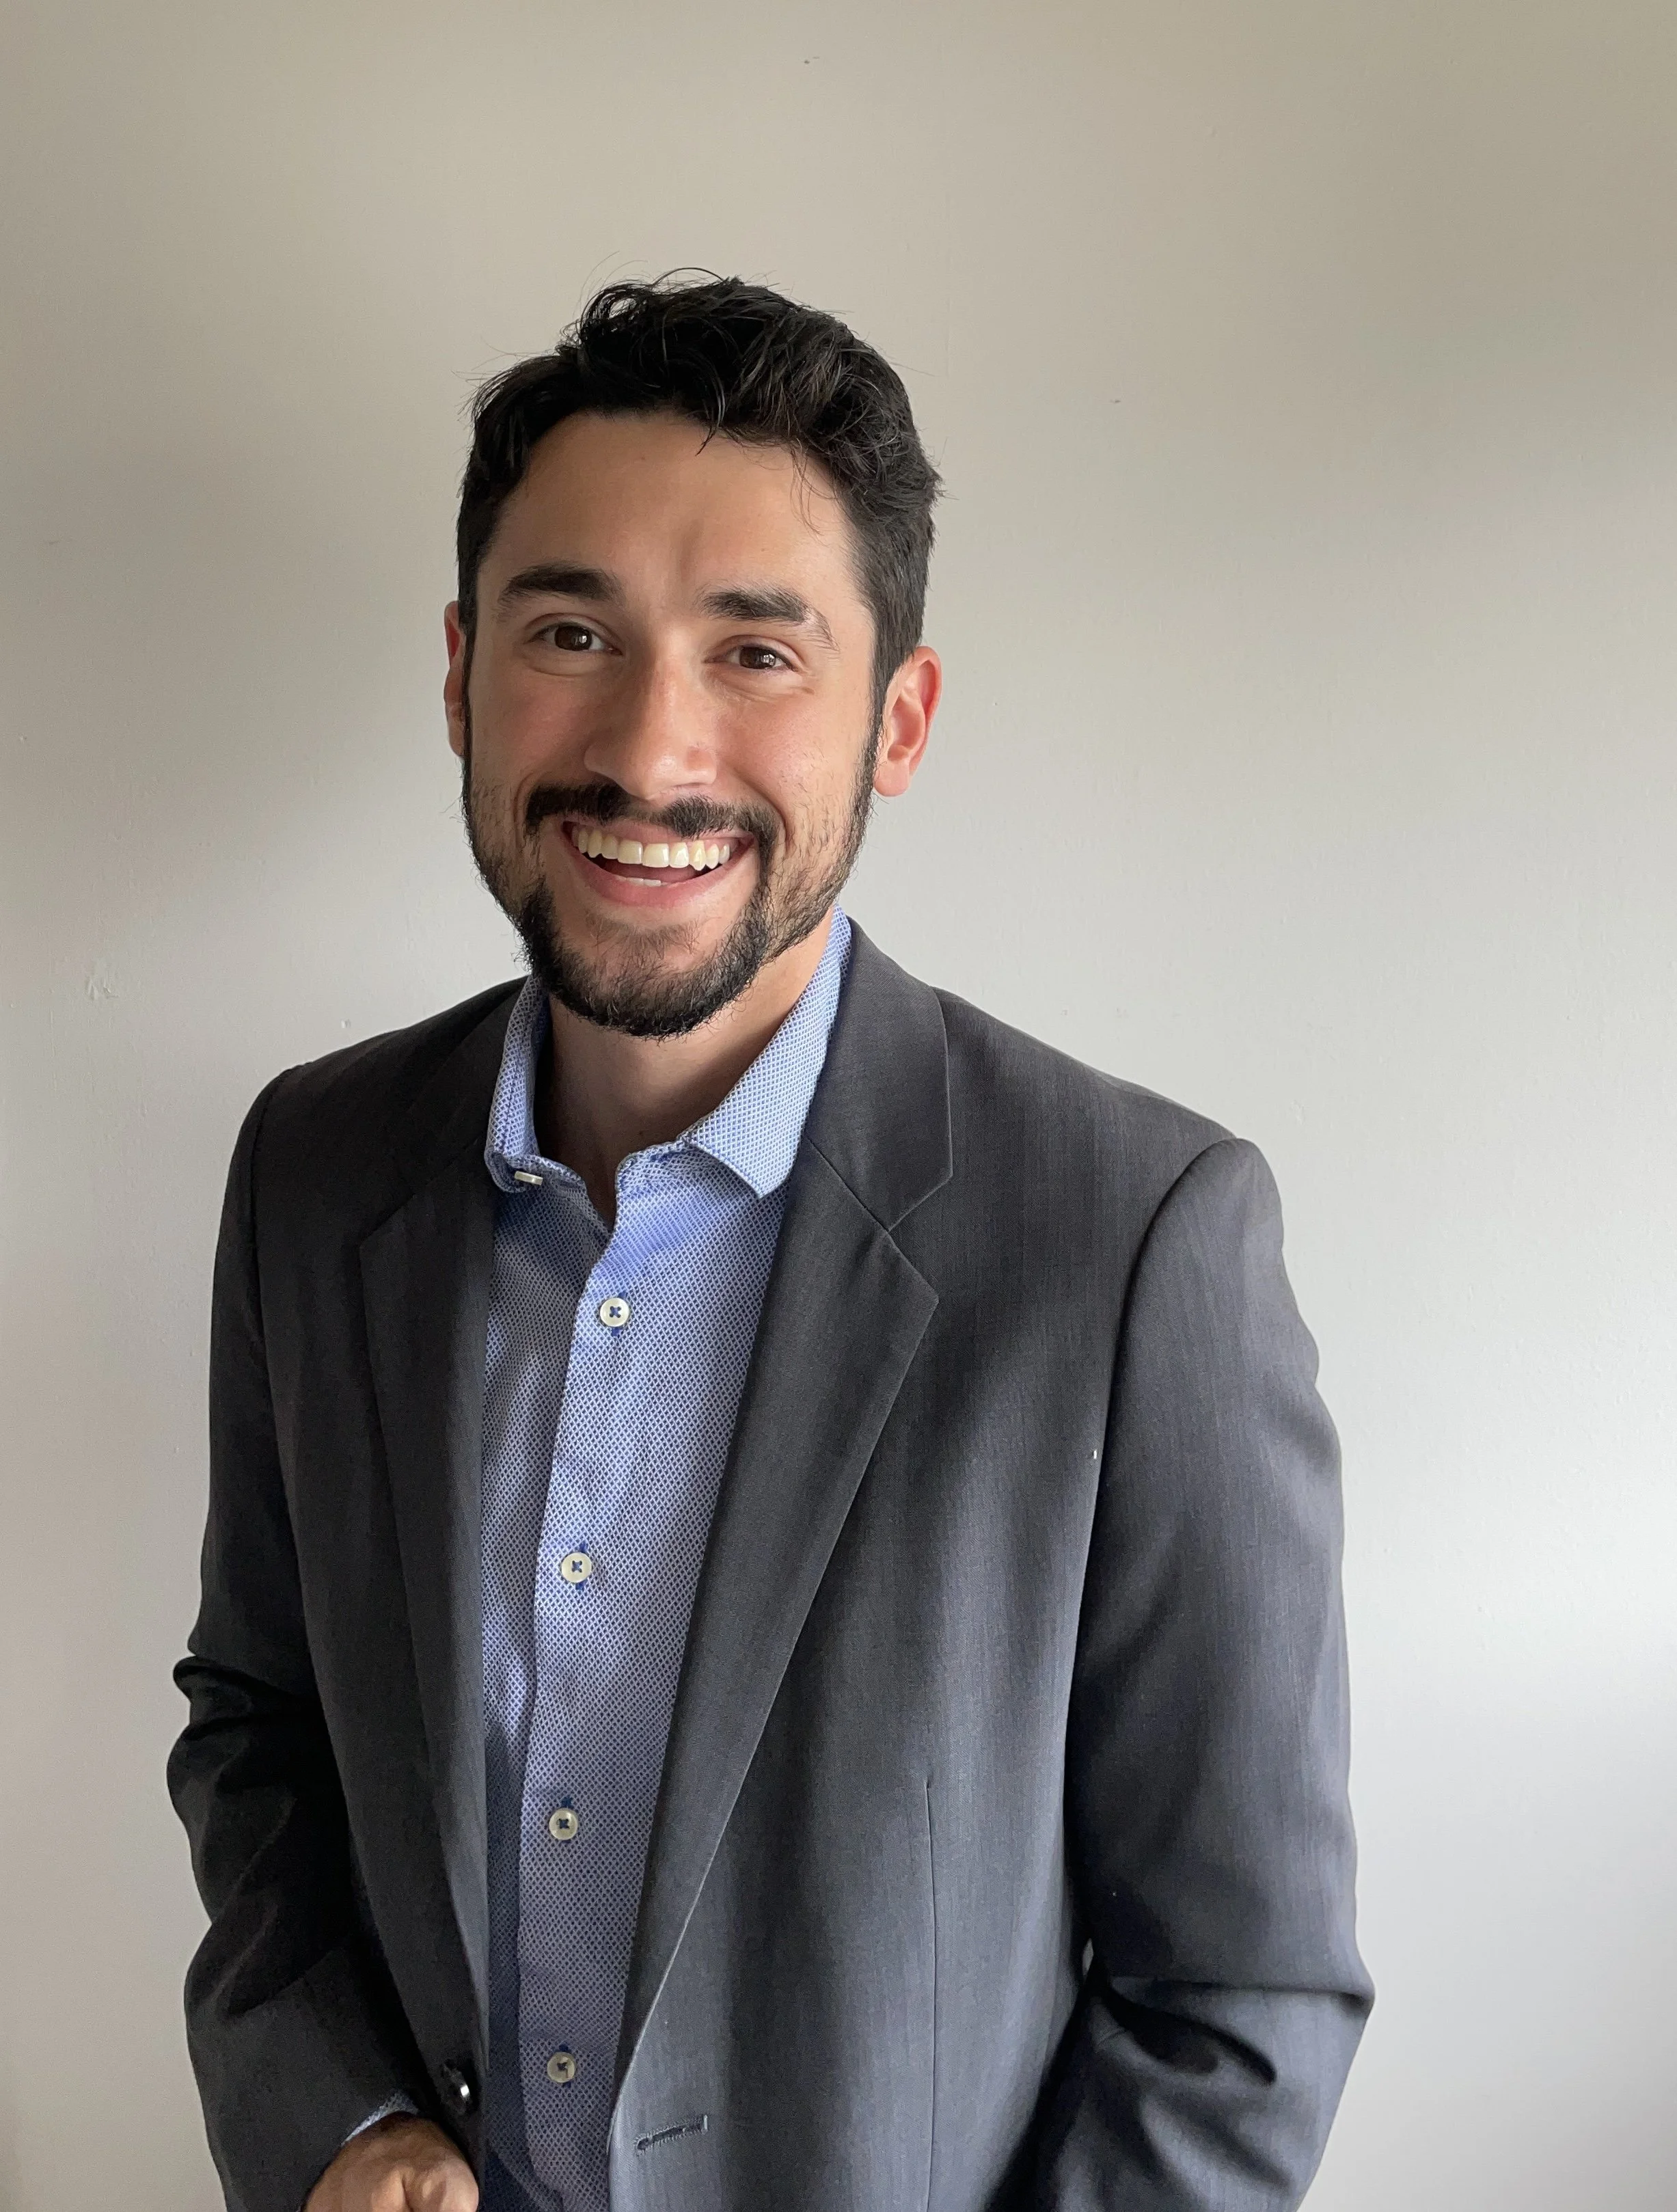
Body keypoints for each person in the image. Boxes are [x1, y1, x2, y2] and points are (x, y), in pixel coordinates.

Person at [169, 275, 1371, 2212]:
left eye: (755, 651)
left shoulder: (1138, 1241)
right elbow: (259, 1721)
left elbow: (1237, 1995)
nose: (650, 750)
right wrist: (335, 2113)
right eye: (572, 632)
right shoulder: (315, 1171)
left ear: (896, 719)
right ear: (462, 675)